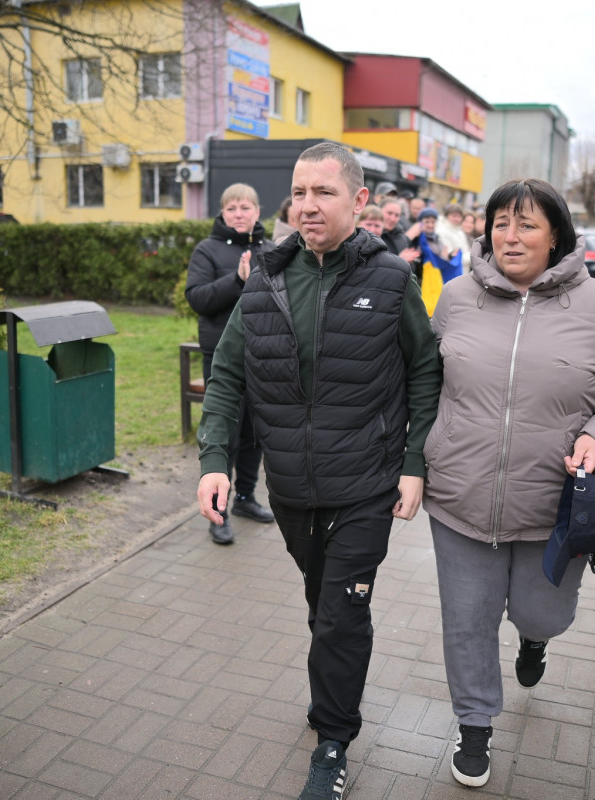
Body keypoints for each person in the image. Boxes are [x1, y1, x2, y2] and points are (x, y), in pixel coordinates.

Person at [195, 142, 441, 800]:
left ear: (358, 201)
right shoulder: (266, 278)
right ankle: (333, 685)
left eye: (323, 193)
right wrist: (215, 462)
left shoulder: (391, 280)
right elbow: (227, 376)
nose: (307, 205)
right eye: (300, 193)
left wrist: (414, 462)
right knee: (320, 603)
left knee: (340, 615)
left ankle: (333, 741)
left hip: (367, 485)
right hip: (292, 488)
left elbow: (424, 369)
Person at [423, 178, 595, 788]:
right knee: (467, 620)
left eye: (526, 224)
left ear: (556, 237)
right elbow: (424, 383)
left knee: (541, 613)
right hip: (460, 495)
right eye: (501, 223)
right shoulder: (456, 297)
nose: (511, 236)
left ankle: (534, 640)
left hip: (556, 504)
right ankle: (474, 724)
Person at [184, 183, 277, 544]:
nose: (239, 214)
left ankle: (245, 498)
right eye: (232, 208)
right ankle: (216, 512)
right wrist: (237, 280)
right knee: (225, 434)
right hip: (223, 358)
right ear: (222, 214)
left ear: (258, 212)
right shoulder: (206, 250)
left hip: (264, 355)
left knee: (255, 433)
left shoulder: (271, 250)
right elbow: (198, 299)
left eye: (245, 207)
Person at [435, 203, 472, 273]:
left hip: (462, 272)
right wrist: (472, 256)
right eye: (454, 216)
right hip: (451, 273)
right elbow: (452, 258)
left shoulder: (459, 231)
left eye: (459, 216)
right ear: (446, 216)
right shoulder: (442, 232)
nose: (457, 219)